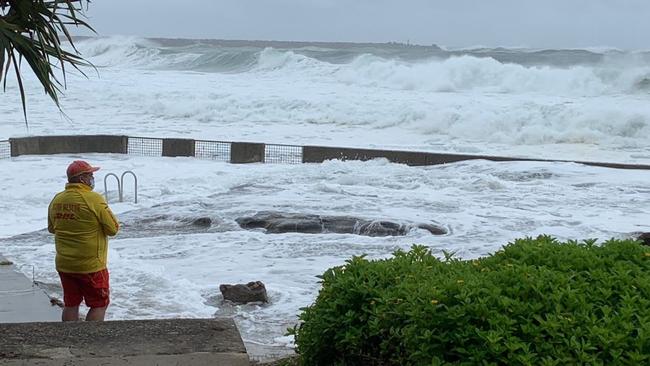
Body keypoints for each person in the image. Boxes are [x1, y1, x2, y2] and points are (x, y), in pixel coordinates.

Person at [48, 160, 119, 321]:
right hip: (91, 265)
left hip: (65, 263)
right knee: (99, 304)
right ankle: (89, 342)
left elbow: (52, 228)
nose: (92, 178)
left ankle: (70, 339)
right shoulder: (93, 199)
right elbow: (113, 229)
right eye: (90, 175)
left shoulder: (57, 199)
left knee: (71, 303)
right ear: (82, 179)